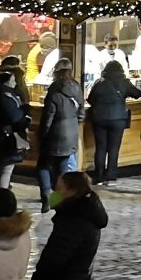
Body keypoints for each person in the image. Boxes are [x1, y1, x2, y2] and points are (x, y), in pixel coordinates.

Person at [34, 63, 83, 210]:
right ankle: (57, 200)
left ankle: (45, 199)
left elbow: (48, 118)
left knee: (43, 166)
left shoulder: (54, 93)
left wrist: (41, 136)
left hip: (54, 135)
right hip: (71, 135)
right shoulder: (77, 89)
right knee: (61, 172)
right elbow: (81, 113)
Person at [85, 60, 135, 184]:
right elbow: (137, 94)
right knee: (114, 148)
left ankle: (99, 174)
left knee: (100, 147)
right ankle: (111, 174)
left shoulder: (99, 83)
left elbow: (90, 99)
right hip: (118, 119)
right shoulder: (124, 82)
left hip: (99, 119)